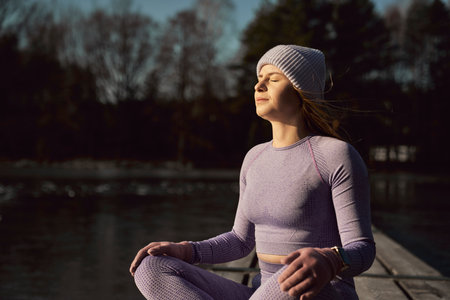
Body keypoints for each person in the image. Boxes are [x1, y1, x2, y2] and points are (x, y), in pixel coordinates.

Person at [129, 44, 375, 300]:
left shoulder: (335, 154)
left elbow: (363, 250)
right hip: (260, 293)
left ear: (302, 90)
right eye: (259, 79)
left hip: (319, 291)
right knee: (152, 267)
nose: (258, 86)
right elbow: (240, 240)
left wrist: (330, 260)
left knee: (291, 276)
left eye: (273, 79)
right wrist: (187, 251)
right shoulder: (254, 158)